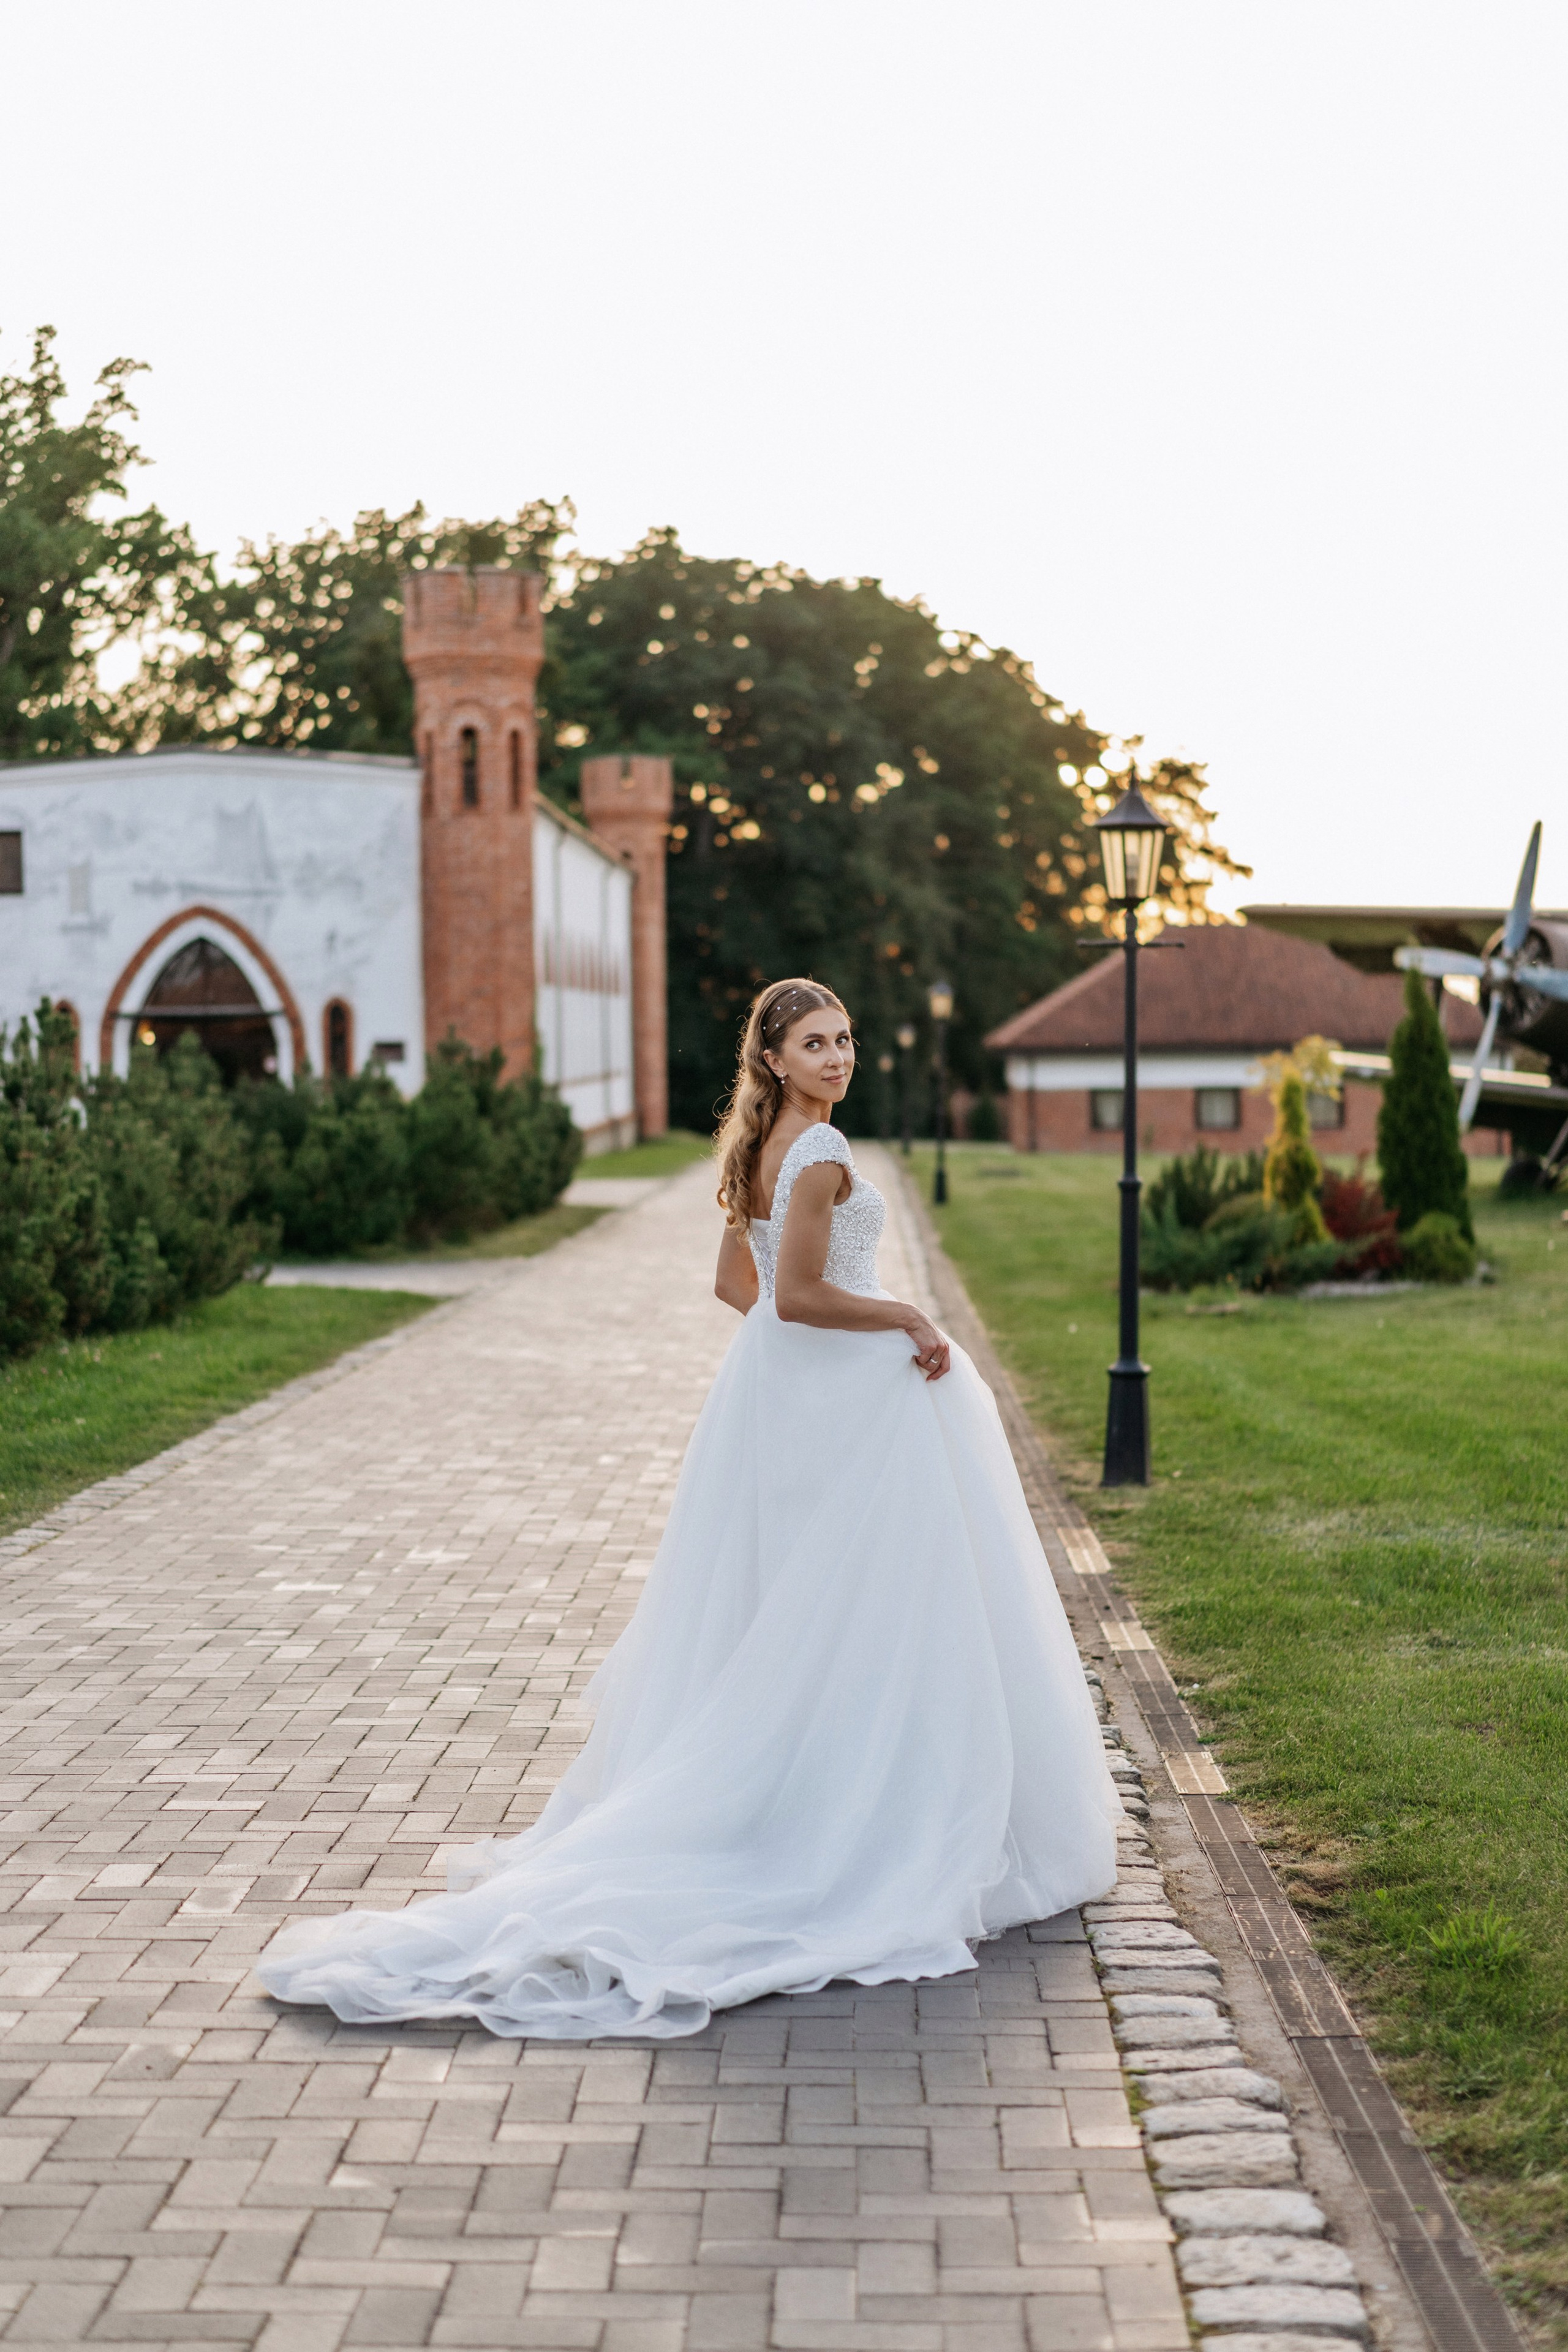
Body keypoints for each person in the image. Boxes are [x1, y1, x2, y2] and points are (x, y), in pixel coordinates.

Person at [255, 976, 1120, 2038]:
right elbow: (794, 1293)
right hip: (848, 1401)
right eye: (816, 1044)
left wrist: (795, 1362)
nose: (840, 1058)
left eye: (846, 1040)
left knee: (803, 1607)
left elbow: (738, 1290)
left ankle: (812, 1790)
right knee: (875, 1607)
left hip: (788, 1399)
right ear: (774, 1060)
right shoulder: (820, 1151)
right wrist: (900, 1314)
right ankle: (864, 1812)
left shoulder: (760, 1150)